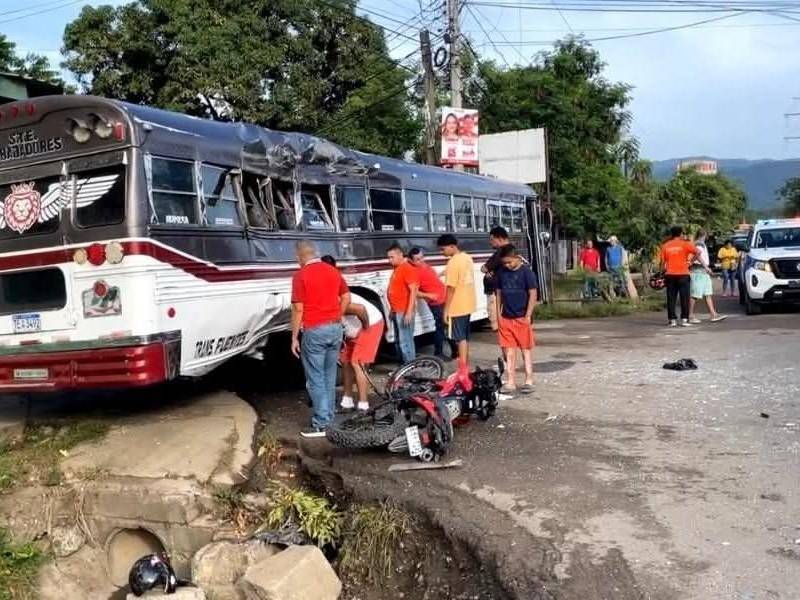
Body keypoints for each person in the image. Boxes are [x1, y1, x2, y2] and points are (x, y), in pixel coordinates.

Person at [291, 241, 350, 437]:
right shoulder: (332, 271)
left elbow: (299, 308)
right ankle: (329, 417)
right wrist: (337, 316)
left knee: (315, 377)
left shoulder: (300, 275)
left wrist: (294, 337)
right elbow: (346, 297)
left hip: (314, 330)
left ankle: (322, 423)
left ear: (300, 257)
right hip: (335, 329)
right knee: (329, 375)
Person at [495, 245, 538, 394]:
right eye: (504, 263)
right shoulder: (501, 273)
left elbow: (533, 294)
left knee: (525, 349)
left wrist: (528, 315)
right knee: (509, 351)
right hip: (506, 317)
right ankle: (511, 381)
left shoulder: (527, 273)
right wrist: (498, 315)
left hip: (522, 317)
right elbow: (498, 294)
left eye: (509, 262)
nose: (507, 265)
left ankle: (529, 379)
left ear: (517, 258)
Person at [408, 247, 456, 361]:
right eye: (418, 259)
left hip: (444, 298)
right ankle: (438, 353)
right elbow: (414, 291)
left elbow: (431, 279)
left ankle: (455, 350)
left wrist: (441, 274)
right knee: (441, 327)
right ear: (411, 261)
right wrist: (429, 296)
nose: (421, 261)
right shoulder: (414, 272)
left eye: (422, 257)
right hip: (436, 303)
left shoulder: (425, 266)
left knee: (448, 325)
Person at [438, 234, 476, 366]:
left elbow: (451, 289)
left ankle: (463, 367)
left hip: (457, 306)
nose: (441, 252)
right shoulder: (466, 257)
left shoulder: (453, 262)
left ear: (452, 246)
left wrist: (446, 310)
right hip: (468, 303)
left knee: (459, 339)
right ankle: (465, 363)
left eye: (443, 249)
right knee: (464, 337)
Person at [659, 226, 699, 328]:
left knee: (671, 298)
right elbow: (698, 252)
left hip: (670, 275)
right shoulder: (685, 244)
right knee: (684, 297)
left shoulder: (665, 245)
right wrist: (690, 262)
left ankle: (672, 320)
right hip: (683, 274)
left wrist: (661, 274)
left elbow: (662, 263)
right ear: (681, 234)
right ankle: (684, 320)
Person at [386, 243, 419, 364]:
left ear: (400, 255)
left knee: (406, 341)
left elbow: (413, 290)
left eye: (392, 257)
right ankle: (403, 368)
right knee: (400, 341)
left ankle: (410, 368)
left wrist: (409, 312)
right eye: (388, 257)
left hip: (403, 311)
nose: (389, 260)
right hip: (397, 311)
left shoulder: (407, 268)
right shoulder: (397, 269)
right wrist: (391, 309)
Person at [689, 230, 727, 323]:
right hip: (698, 271)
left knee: (708, 293)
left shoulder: (701, 244)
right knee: (695, 294)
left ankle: (713, 314)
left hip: (703, 272)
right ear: (705, 235)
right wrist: (706, 267)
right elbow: (698, 255)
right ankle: (690, 315)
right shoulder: (698, 244)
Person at [481, 226, 511, 332]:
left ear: (500, 239)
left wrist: (489, 270)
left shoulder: (501, 252)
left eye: (492, 240)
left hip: (496, 293)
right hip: (498, 292)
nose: (490, 242)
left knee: (498, 324)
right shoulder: (508, 250)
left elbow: (484, 268)